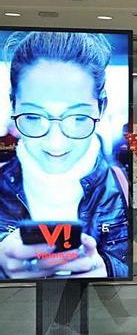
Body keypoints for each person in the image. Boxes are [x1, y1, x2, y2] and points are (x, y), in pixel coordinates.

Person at [0, 31, 129, 279]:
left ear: (101, 108)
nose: (56, 144)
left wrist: (105, 269)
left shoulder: (121, 187)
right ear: (14, 105)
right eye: (34, 117)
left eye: (79, 118)